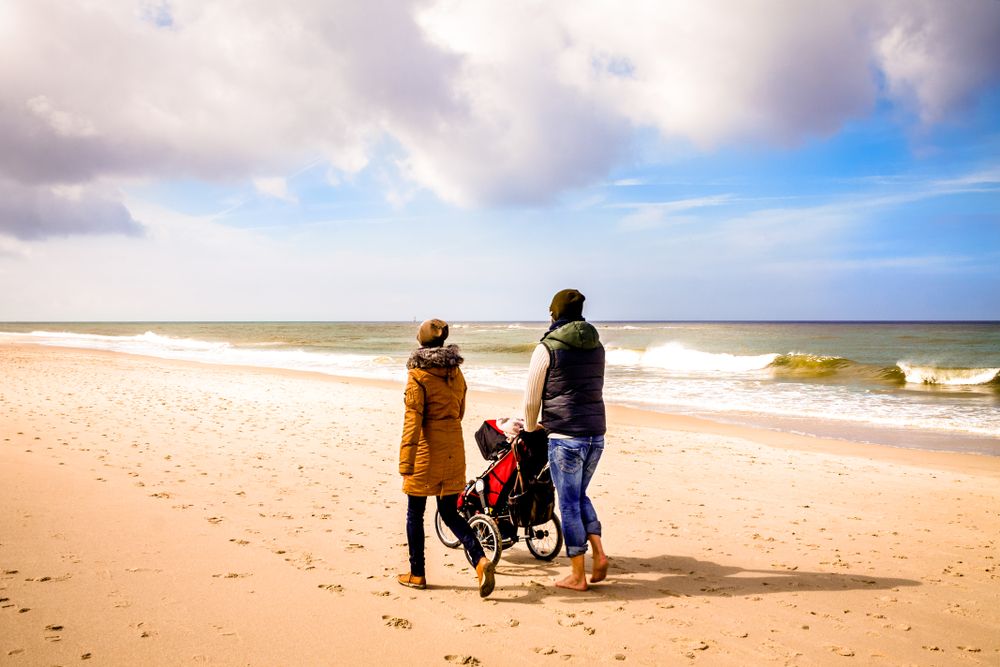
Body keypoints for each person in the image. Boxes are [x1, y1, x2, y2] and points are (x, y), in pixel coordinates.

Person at [397, 318, 496, 597]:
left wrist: (406, 462)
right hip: (454, 448)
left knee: (415, 513)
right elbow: (460, 411)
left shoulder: (418, 375)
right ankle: (480, 560)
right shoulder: (456, 373)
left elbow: (412, 422)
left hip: (426, 451)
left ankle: (417, 574)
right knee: (450, 512)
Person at [522, 289, 609, 591]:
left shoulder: (547, 348)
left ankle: (577, 574)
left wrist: (531, 427)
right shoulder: (597, 345)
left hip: (565, 437)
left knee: (569, 503)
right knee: (580, 494)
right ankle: (598, 553)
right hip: (596, 433)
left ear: (555, 314)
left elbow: (532, 399)